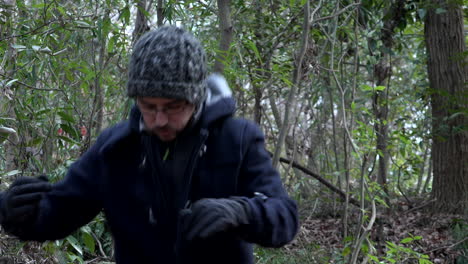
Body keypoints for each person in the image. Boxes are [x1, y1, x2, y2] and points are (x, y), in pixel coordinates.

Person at [0, 26, 298, 264]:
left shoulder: (238, 138)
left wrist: (241, 211)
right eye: (147, 105)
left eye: (173, 107)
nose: (158, 120)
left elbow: (283, 217)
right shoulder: (115, 149)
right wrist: (16, 213)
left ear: (196, 98)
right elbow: (58, 214)